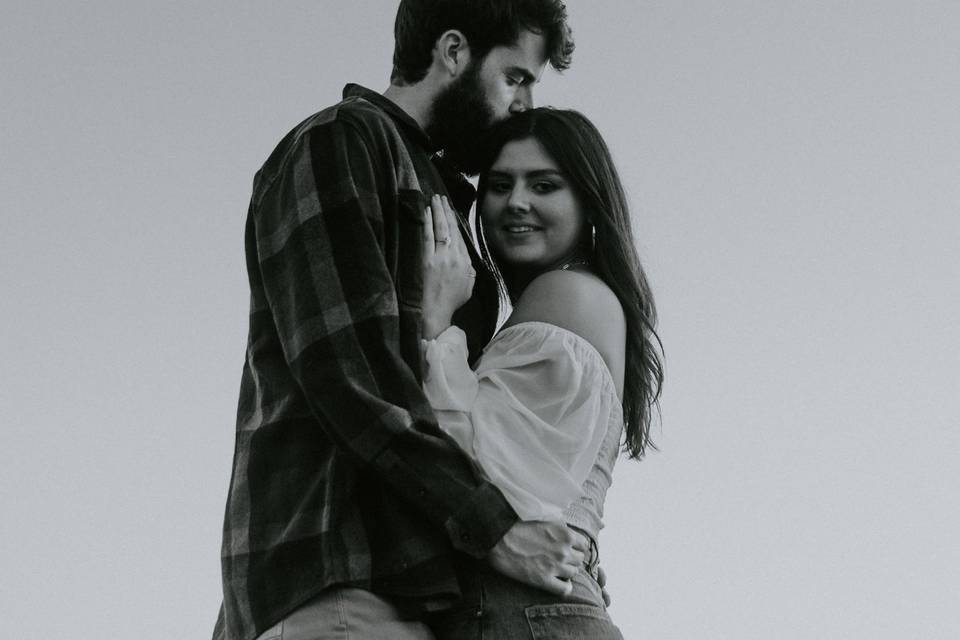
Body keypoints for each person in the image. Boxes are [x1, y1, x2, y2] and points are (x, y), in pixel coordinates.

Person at [212, 2, 579, 640]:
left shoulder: (433, 183)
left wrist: (560, 556)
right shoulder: (340, 143)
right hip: (342, 580)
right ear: (455, 52)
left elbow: (453, 410)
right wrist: (496, 531)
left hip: (408, 593)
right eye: (516, 77)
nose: (524, 103)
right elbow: (350, 373)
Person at [417, 108, 664, 638]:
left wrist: (436, 325)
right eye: (500, 185)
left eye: (544, 184)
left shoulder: (566, 293)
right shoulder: (580, 298)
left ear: (588, 201)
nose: (516, 202)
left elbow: (471, 464)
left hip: (521, 607)